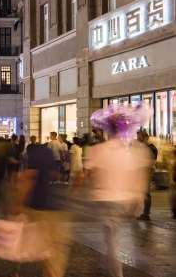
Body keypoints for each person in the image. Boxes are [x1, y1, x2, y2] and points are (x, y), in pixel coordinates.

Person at [83, 107, 152, 277]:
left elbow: (89, 173)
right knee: (113, 236)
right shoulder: (133, 150)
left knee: (112, 239)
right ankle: (118, 264)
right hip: (125, 200)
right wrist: (139, 198)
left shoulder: (99, 150)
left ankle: (116, 271)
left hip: (106, 200)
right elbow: (140, 175)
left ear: (107, 130)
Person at [19, 136, 71, 277]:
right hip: (57, 210)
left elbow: (28, 182)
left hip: (39, 209)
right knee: (55, 252)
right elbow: (55, 175)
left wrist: (19, 207)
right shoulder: (49, 163)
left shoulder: (33, 163)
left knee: (29, 246)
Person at [136, 130, 158, 221]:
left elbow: (151, 162)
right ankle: (141, 212)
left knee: (146, 193)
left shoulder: (151, 148)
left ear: (144, 137)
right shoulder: (143, 148)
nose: (137, 138)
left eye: (139, 136)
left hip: (146, 172)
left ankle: (146, 214)